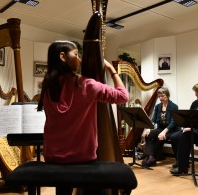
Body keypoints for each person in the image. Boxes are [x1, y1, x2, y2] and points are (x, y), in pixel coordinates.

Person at [37, 40, 129, 195]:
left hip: (54, 159)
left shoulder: (47, 86)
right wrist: (112, 69)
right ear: (63, 56)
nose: (80, 59)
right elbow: (123, 96)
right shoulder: (87, 85)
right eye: (76, 54)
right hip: (83, 159)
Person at [141, 87, 179, 168]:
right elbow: (153, 119)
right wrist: (148, 128)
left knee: (160, 137)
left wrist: (164, 132)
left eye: (163, 96)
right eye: (159, 96)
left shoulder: (174, 106)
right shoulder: (158, 106)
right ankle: (151, 157)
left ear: (168, 95)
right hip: (161, 128)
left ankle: (154, 156)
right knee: (149, 134)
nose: (161, 98)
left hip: (172, 130)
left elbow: (173, 122)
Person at [170, 82, 198, 175]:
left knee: (185, 136)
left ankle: (182, 168)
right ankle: (181, 161)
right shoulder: (195, 103)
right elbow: (189, 117)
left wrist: (191, 129)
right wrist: (186, 126)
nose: (195, 94)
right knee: (174, 136)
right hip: (193, 130)